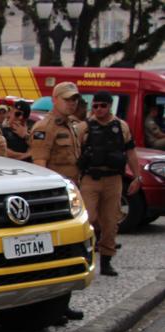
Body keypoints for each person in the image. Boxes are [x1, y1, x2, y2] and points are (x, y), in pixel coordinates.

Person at [29, 81, 85, 322]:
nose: (72, 103)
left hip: (70, 195)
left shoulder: (72, 125)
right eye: (68, 99)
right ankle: (49, 307)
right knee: (51, 255)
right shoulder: (45, 127)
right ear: (55, 100)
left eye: (74, 100)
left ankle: (63, 303)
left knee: (68, 252)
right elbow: (40, 166)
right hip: (54, 201)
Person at [76, 91, 142, 277]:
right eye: (95, 106)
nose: (98, 109)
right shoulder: (84, 127)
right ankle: (87, 254)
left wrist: (137, 176)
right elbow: (74, 153)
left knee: (111, 221)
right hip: (90, 179)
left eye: (102, 106)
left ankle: (106, 260)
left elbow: (130, 153)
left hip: (113, 179)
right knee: (89, 218)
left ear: (110, 106)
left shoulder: (121, 127)